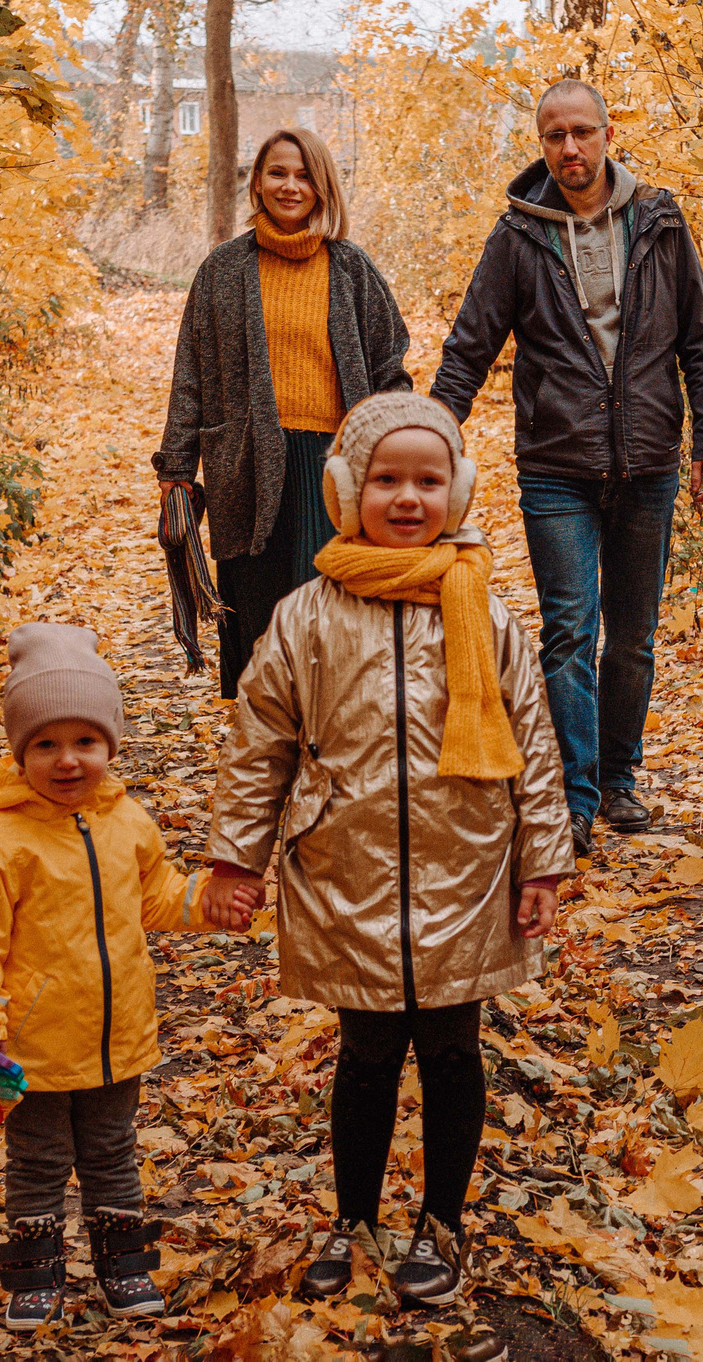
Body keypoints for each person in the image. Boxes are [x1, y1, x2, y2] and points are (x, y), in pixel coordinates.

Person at [199, 393, 572, 1309]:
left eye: (428, 480)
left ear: (459, 490)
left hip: (466, 862)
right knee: (365, 1051)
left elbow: (532, 734)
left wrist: (544, 858)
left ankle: (441, 1222)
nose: (408, 498)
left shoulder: (485, 613)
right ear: (346, 491)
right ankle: (353, 1216)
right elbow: (261, 745)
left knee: (451, 1047)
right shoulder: (306, 617)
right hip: (346, 866)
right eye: (386, 479)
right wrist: (234, 857)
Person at [429, 79, 703, 856]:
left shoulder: (659, 222)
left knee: (630, 638)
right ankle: (575, 796)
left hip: (647, 461)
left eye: (582, 133)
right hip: (557, 465)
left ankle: (620, 777)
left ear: (608, 133)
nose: (569, 148)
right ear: (541, 144)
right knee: (570, 632)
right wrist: (429, 436)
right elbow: (471, 344)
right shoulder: (519, 236)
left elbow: (700, 337)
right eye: (553, 135)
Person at [0, 623, 261, 1330]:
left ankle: (123, 1266)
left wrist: (208, 899)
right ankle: (34, 1274)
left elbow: (155, 896)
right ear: (20, 750)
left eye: (84, 741)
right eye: (46, 744)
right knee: (38, 1159)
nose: (66, 760)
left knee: (114, 1154)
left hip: (118, 1038)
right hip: (33, 1047)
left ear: (109, 745)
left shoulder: (127, 821)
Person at [155, 127, 413, 697]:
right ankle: (265, 764)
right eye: (277, 173)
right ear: (257, 182)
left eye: (303, 176)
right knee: (261, 626)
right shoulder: (222, 270)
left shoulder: (351, 269)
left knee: (332, 623)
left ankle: (331, 758)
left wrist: (397, 458)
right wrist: (176, 467)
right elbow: (190, 373)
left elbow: (392, 368)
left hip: (334, 472)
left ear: (322, 187)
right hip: (245, 466)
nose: (290, 186)